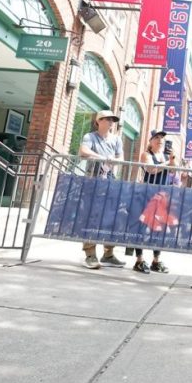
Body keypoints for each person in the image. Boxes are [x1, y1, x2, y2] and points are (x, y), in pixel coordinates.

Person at [78, 110, 127, 270]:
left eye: (113, 120)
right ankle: (90, 254)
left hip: (111, 181)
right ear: (99, 121)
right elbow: (83, 151)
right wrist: (102, 158)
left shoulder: (117, 139)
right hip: (93, 180)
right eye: (107, 119)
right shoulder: (90, 137)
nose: (111, 122)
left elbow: (121, 158)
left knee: (112, 217)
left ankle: (108, 254)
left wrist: (112, 161)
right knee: (92, 217)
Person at [132, 130, 176, 274]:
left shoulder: (165, 156)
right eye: (156, 138)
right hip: (147, 195)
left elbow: (174, 170)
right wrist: (168, 162)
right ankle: (139, 259)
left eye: (162, 138)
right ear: (150, 141)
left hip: (161, 196)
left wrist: (173, 159)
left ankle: (156, 261)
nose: (160, 140)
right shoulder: (146, 155)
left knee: (159, 229)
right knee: (142, 226)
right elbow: (151, 169)